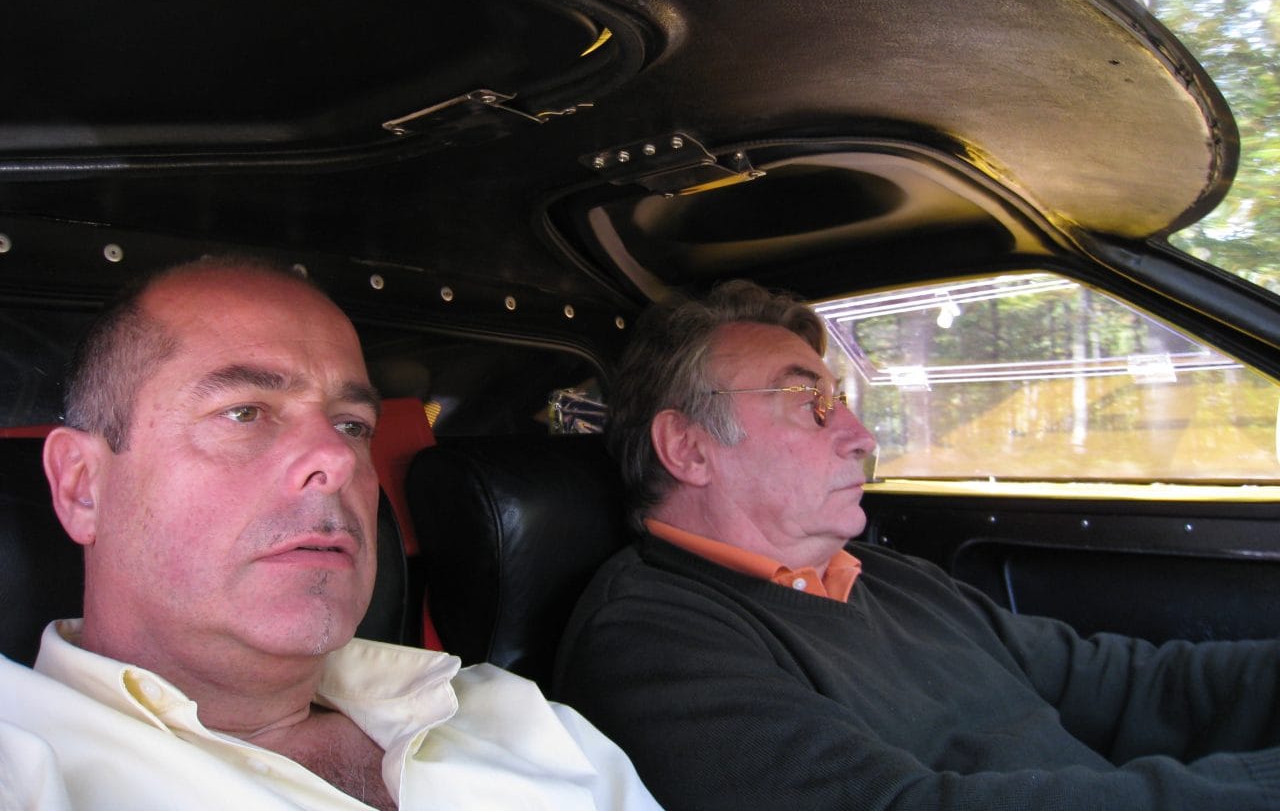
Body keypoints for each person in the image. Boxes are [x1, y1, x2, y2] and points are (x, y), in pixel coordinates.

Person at [552, 278, 1280, 811]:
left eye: (843, 401)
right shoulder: (650, 639)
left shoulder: (885, 576)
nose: (862, 436)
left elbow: (1119, 685)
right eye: (809, 402)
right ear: (689, 448)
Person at [0, 256, 661, 811]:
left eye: (352, 425)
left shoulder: (518, 719)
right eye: (244, 412)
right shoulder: (26, 766)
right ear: (83, 485)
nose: (339, 460)